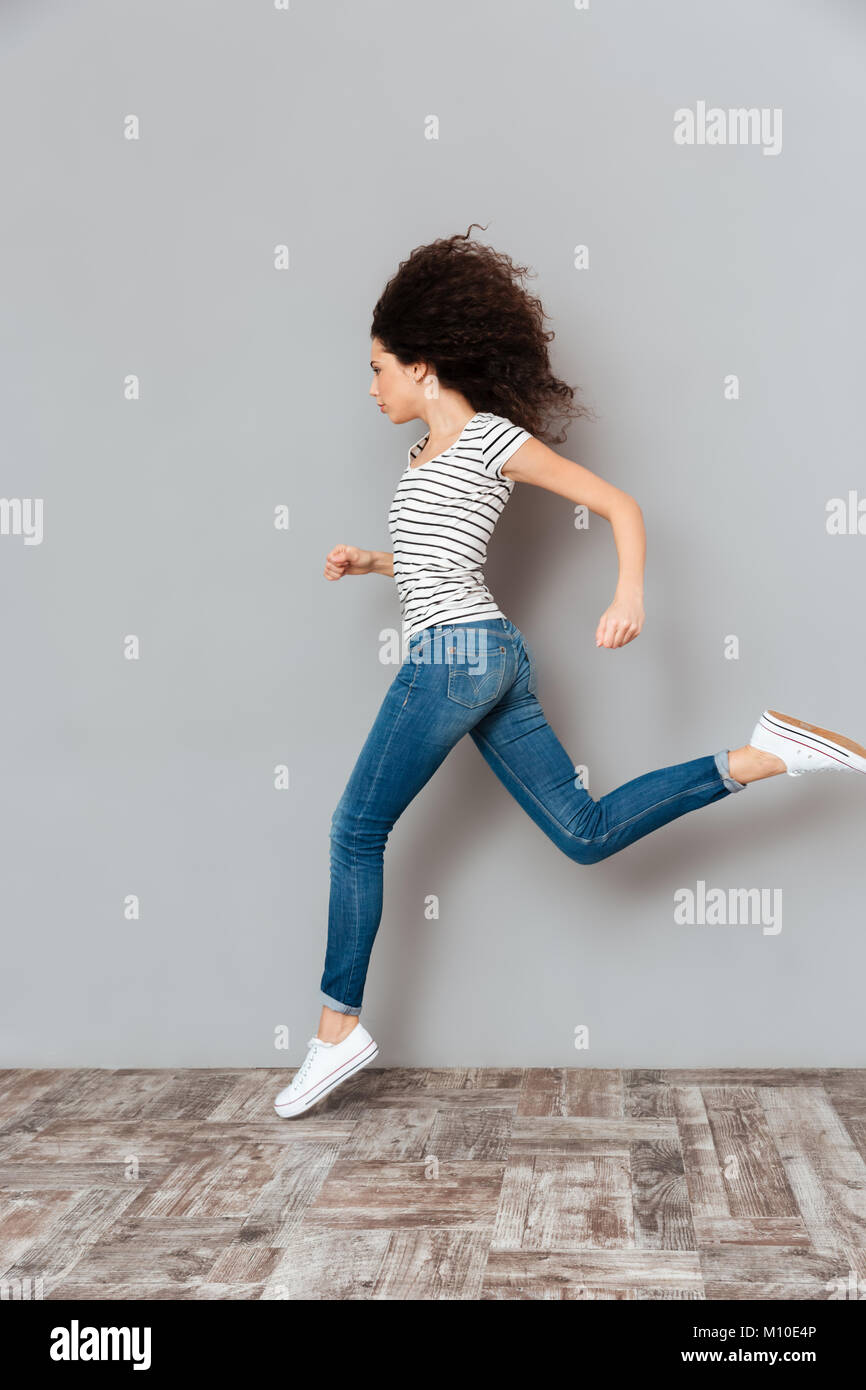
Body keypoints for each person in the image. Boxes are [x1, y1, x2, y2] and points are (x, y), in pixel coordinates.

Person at [275, 227, 866, 1118]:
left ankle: (335, 1032)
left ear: (424, 367)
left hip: (456, 658)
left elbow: (618, 504)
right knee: (585, 834)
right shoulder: (424, 456)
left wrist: (629, 593)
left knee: (355, 831)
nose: (371, 387)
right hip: (488, 656)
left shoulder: (489, 440)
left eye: (379, 368)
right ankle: (762, 755)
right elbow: (441, 557)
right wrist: (375, 562)